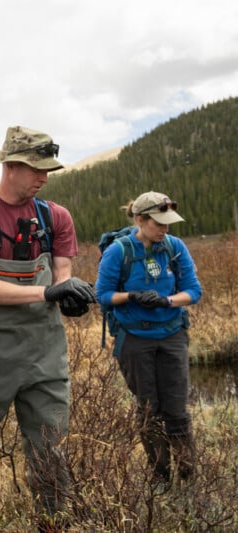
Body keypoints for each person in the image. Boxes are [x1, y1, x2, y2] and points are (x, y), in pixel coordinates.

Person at [0, 126, 96, 522]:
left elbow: (61, 275)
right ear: (10, 165)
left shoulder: (56, 217)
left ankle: (52, 522)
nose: (44, 178)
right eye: (36, 169)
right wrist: (46, 294)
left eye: (48, 170)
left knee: (50, 449)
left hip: (45, 352)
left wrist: (70, 298)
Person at [95, 191, 202, 483]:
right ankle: (160, 478)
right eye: (159, 223)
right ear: (140, 220)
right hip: (134, 338)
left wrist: (167, 301)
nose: (165, 229)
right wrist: (132, 296)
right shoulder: (119, 251)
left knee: (177, 410)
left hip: (172, 335)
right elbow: (102, 295)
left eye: (168, 223)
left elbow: (194, 290)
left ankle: (188, 476)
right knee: (148, 410)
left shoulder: (175, 247)